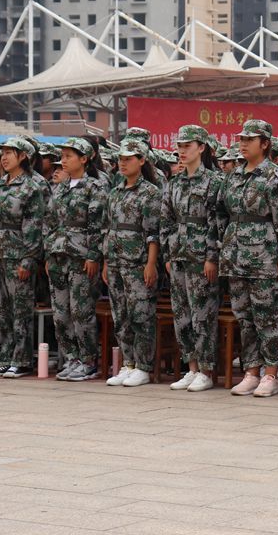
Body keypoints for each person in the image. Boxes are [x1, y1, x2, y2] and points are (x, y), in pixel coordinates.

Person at [221, 119, 278, 398]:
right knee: (245, 316)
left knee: (269, 316)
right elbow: (223, 213)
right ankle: (251, 371)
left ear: (264, 143)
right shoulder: (234, 176)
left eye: (249, 140)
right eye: (241, 139)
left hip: (266, 256)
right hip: (236, 255)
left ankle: (270, 374)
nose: (242, 144)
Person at [160, 125, 224, 392]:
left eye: (188, 146)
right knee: (182, 315)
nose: (182, 151)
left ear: (202, 148)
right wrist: (167, 253)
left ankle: (207, 370)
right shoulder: (174, 183)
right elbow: (166, 220)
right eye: (180, 146)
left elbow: (217, 224)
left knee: (203, 314)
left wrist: (212, 257)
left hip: (201, 257)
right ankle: (192, 366)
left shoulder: (214, 182)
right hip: (178, 256)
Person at [45, 137, 108, 382]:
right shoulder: (59, 189)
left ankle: (88, 360)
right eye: (63, 155)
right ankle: (71, 357)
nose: (64, 160)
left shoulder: (94, 188)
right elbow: (49, 223)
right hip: (59, 256)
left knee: (81, 311)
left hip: (82, 257)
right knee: (61, 313)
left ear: (84, 159)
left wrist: (94, 255)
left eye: (69, 156)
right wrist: (48, 253)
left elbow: (98, 225)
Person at [0, 137, 47, 379]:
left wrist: (28, 259)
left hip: (18, 254)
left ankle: (21, 360)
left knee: (20, 309)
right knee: (2, 310)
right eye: (3, 153)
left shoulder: (31, 187)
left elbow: (33, 226)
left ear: (23, 156)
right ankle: (4, 357)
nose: (4, 157)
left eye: (10, 152)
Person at [104, 139, 162, 387]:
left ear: (142, 160)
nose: (123, 163)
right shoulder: (115, 192)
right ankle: (128, 363)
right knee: (121, 316)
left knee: (141, 315)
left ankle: (143, 366)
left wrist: (151, 263)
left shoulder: (150, 193)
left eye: (129, 159)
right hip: (116, 261)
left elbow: (153, 233)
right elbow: (109, 229)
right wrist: (107, 261)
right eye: (121, 159)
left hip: (137, 263)